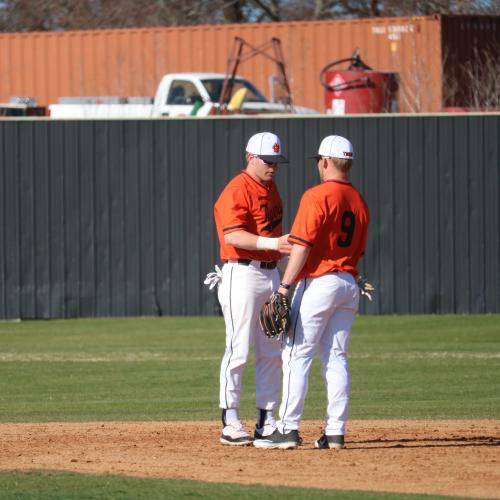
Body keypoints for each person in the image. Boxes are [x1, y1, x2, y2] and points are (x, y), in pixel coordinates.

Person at [254, 135, 370, 450]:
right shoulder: (359, 201)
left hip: (319, 282)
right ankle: (335, 432)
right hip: (348, 284)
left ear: (325, 162)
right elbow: (357, 251)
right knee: (336, 358)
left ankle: (287, 429)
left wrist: (284, 286)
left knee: (296, 355)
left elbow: (302, 247)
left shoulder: (317, 195)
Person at [212, 131, 292, 446]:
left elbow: (275, 243)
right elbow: (232, 236)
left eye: (276, 161)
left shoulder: (272, 190)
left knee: (272, 352)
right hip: (242, 274)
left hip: (270, 274)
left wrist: (286, 275)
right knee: (239, 349)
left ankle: (266, 419)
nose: (273, 166)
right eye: (267, 160)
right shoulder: (236, 190)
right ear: (250, 157)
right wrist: (274, 243)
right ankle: (230, 419)